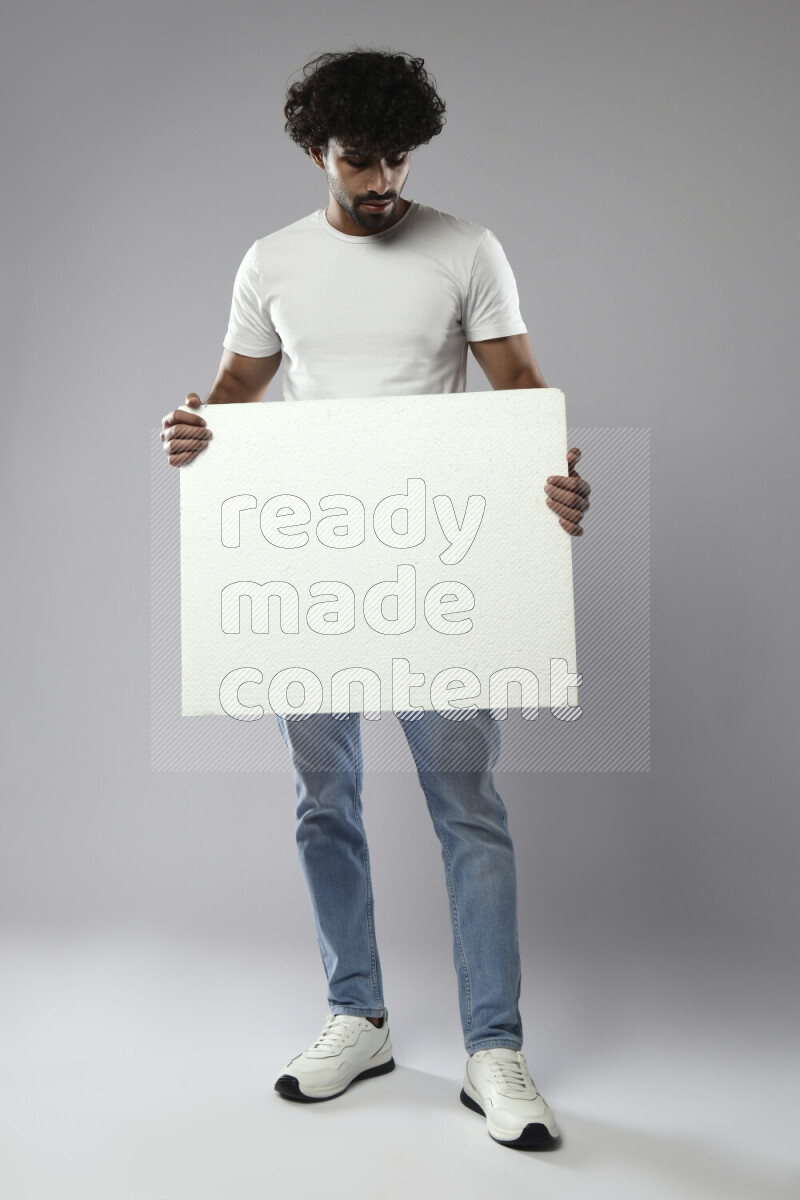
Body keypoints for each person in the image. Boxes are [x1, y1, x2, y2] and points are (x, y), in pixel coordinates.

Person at [161, 47, 590, 1149]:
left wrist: (552, 471)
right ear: (318, 152)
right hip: (313, 564)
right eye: (359, 159)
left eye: (397, 155)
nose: (382, 176)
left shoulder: (465, 248)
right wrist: (197, 431)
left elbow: (518, 392)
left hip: (434, 563)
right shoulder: (271, 261)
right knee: (323, 804)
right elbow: (239, 394)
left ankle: (492, 1047)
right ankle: (356, 1015)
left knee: (468, 811)